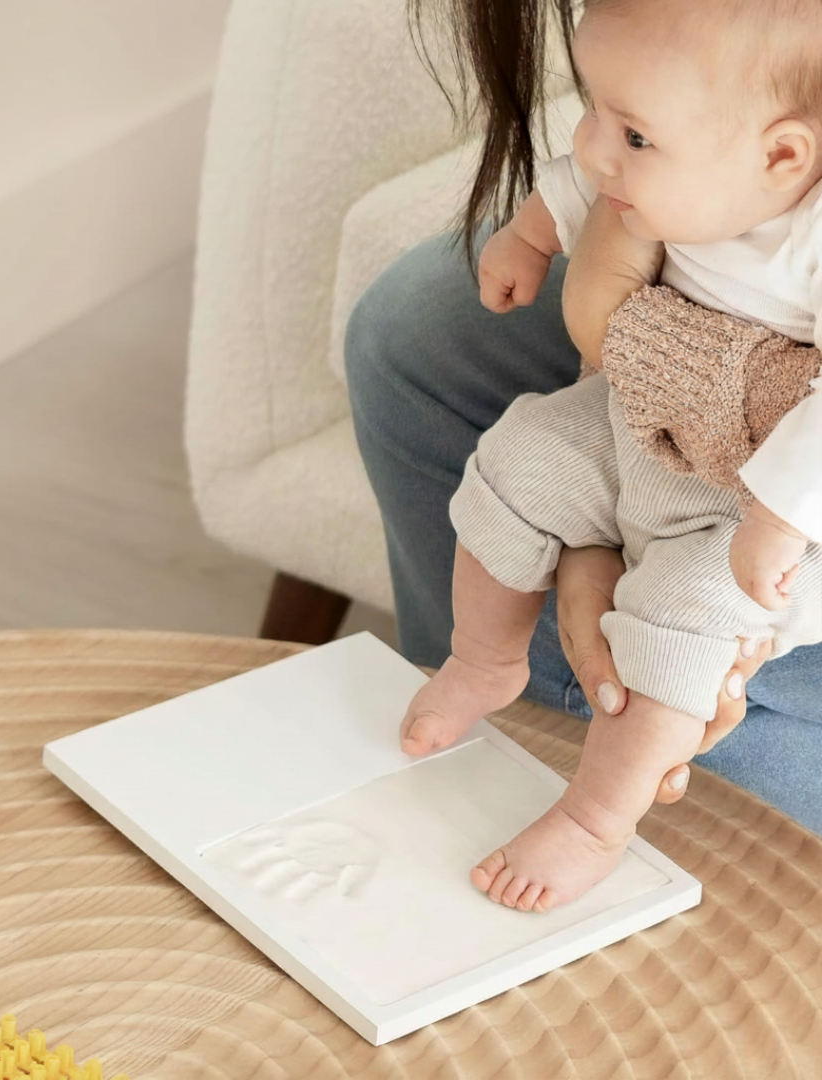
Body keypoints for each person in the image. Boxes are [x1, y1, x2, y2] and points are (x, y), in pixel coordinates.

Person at [344, 0, 822, 896]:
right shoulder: (664, 158)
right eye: (591, 107)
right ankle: (482, 660)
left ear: (782, 157)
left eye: (633, 134)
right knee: (520, 458)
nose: (595, 147)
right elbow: (576, 186)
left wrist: (782, 515)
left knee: (688, 613)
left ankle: (597, 816)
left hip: (755, 502)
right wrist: (530, 238)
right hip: (638, 420)